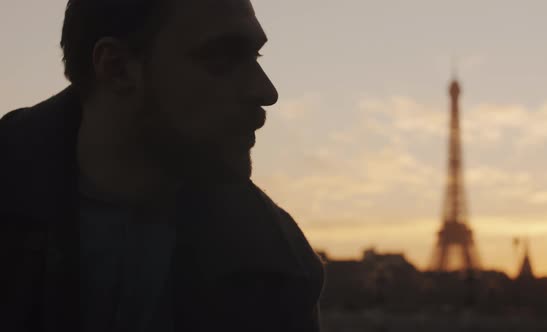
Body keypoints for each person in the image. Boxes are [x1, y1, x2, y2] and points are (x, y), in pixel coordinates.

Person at [0, 0, 325, 331]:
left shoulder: (277, 265)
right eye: (221, 58)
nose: (266, 91)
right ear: (117, 68)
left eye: (255, 57)